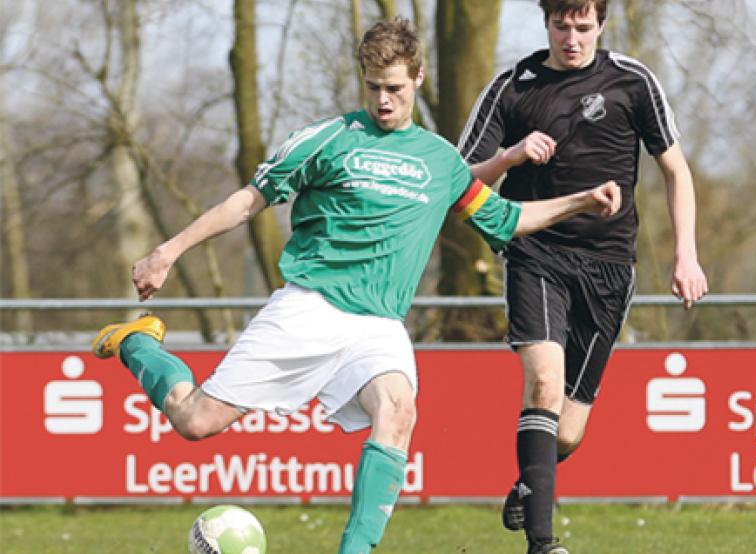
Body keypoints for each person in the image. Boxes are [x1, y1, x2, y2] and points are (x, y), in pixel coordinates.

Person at [90, 18, 620, 554]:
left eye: (394, 87)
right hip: (309, 307)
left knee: (398, 411)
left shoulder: (441, 161)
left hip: (379, 327)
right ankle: (138, 343)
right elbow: (247, 200)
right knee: (194, 420)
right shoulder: (329, 139)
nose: (383, 100)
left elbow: (505, 219)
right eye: (373, 87)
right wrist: (168, 251)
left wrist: (580, 201)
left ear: (416, 77)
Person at [459, 1, 708, 552]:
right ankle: (543, 544)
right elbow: (458, 178)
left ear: (601, 24)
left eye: (583, 27)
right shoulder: (514, 87)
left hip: (610, 269)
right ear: (546, 22)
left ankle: (531, 483)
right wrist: (510, 157)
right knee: (544, 382)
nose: (571, 38)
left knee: (567, 431)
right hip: (536, 253)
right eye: (561, 26)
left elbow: (676, 169)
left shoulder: (633, 82)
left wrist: (685, 255)